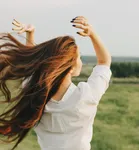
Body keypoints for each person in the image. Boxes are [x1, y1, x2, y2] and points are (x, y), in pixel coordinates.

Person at [0, 16, 112, 150]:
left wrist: (30, 35)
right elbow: (104, 62)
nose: (80, 61)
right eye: (79, 57)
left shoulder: (36, 99)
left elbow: (34, 72)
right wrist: (92, 34)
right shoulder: (86, 96)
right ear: (69, 68)